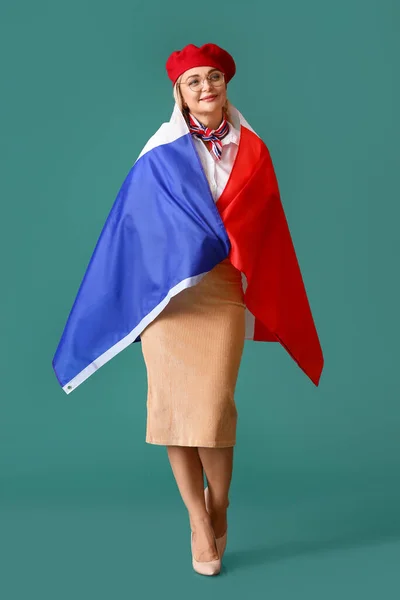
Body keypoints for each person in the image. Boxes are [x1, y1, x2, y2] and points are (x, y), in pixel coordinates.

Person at [52, 43, 324, 577]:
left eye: (214, 78)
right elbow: (131, 231)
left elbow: (266, 231)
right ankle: (198, 518)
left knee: (213, 408)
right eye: (195, 81)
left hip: (219, 290)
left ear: (227, 85)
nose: (206, 88)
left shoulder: (254, 149)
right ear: (178, 91)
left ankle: (219, 503)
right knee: (174, 411)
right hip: (167, 300)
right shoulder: (159, 149)